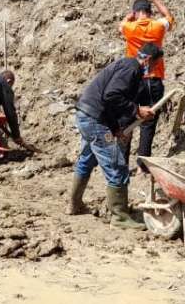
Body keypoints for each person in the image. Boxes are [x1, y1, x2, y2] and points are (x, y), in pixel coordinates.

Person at [66, 43, 163, 229]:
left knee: (87, 159)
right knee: (116, 164)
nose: (153, 69)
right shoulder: (132, 68)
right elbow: (112, 95)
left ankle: (74, 204)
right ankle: (119, 217)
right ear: (148, 60)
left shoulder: (126, 64)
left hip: (89, 116)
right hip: (95, 120)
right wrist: (137, 110)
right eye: (155, 65)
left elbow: (108, 100)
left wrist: (115, 128)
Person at [118, 0, 174, 160]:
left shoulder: (129, 27)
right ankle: (144, 161)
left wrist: (130, 16)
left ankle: (123, 162)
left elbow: (120, 26)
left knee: (127, 118)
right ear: (150, 12)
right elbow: (169, 18)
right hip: (153, 79)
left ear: (136, 13)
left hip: (132, 80)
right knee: (148, 121)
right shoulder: (158, 26)